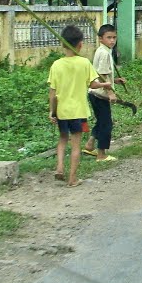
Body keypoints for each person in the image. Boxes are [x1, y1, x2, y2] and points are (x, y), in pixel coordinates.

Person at [48, 25, 111, 187]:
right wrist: (107, 84)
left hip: (61, 111)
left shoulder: (56, 65)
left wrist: (52, 112)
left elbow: (52, 93)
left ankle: (60, 167)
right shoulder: (84, 63)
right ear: (80, 45)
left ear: (62, 44)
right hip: (78, 112)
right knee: (76, 145)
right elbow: (93, 84)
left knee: (62, 139)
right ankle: (72, 179)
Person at [83, 24, 127, 162]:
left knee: (102, 120)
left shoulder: (102, 50)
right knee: (107, 124)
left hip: (94, 92)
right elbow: (102, 74)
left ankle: (90, 145)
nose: (112, 41)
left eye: (114, 37)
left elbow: (102, 74)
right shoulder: (104, 53)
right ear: (101, 39)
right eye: (109, 38)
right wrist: (110, 93)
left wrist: (115, 80)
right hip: (100, 93)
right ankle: (101, 154)